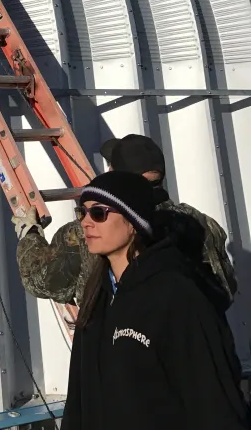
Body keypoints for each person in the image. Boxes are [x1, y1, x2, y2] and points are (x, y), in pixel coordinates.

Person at [62, 171, 249, 429]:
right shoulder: (97, 298)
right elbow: (78, 402)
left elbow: (213, 401)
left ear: (132, 222)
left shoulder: (176, 295)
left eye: (98, 213)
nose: (85, 223)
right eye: (81, 212)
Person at [15, 133, 237, 308]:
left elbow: (40, 280)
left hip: (122, 354)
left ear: (116, 175)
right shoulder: (199, 222)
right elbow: (225, 287)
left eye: (111, 166)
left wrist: (30, 235)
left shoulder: (92, 230)